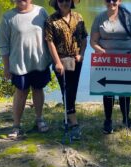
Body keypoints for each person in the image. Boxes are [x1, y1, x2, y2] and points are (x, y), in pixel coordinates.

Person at [0, 0, 52, 139]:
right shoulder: (8, 17)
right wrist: (6, 67)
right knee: (21, 92)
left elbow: (50, 37)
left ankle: (39, 120)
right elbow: (3, 45)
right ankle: (16, 126)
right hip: (19, 64)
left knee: (38, 89)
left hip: (40, 62)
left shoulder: (41, 12)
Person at [90, 0, 131, 134]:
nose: (111, 2)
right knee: (108, 91)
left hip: (126, 60)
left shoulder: (128, 17)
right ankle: (108, 120)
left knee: (125, 91)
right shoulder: (99, 18)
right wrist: (99, 50)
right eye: (108, 0)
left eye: (114, 0)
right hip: (106, 62)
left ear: (119, 1)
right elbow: (93, 41)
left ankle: (126, 118)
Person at [45, 0, 88, 140]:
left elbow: (83, 38)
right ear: (57, 2)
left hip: (76, 60)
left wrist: (81, 54)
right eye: (61, 0)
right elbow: (49, 42)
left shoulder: (78, 17)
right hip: (61, 61)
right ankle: (73, 121)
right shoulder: (51, 20)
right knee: (66, 89)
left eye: (67, 0)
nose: (65, 3)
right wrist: (57, 62)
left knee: (73, 89)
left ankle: (68, 115)